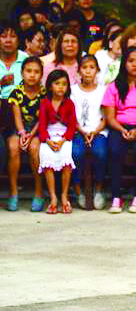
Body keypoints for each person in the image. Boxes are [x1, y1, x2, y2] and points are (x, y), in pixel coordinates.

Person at [103, 47, 136, 214]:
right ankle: (116, 196)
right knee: (114, 151)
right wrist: (122, 130)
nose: (135, 64)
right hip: (119, 127)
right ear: (124, 64)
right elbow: (110, 117)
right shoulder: (113, 87)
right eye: (131, 61)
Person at [6, 57, 45, 212]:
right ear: (22, 73)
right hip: (19, 128)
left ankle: (38, 191)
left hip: (38, 128)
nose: (32, 75)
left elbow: (42, 119)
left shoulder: (44, 93)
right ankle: (13, 191)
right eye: (28, 71)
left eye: (36, 72)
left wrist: (31, 135)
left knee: (35, 148)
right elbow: (17, 118)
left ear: (41, 74)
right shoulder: (16, 92)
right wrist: (23, 134)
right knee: (13, 146)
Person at [71, 55, 109, 210]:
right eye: (84, 67)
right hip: (77, 130)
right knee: (76, 153)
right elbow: (70, 117)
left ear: (97, 71)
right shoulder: (72, 90)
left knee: (100, 152)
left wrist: (94, 131)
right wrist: (82, 131)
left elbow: (106, 117)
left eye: (92, 67)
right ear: (79, 70)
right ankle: (78, 190)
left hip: (98, 130)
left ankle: (99, 189)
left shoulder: (103, 91)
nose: (88, 71)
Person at [36, 69, 76, 214]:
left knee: (66, 157)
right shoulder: (45, 103)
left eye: (64, 84)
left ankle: (64, 195)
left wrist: (62, 140)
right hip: (49, 136)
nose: (60, 87)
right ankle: (53, 196)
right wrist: (48, 140)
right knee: (46, 156)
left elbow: (72, 126)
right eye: (57, 83)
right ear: (50, 86)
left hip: (65, 136)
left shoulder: (69, 103)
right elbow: (42, 125)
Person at [0, 21, 27, 100]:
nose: (8, 40)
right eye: (3, 36)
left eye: (13, 36)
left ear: (18, 40)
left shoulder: (27, 60)